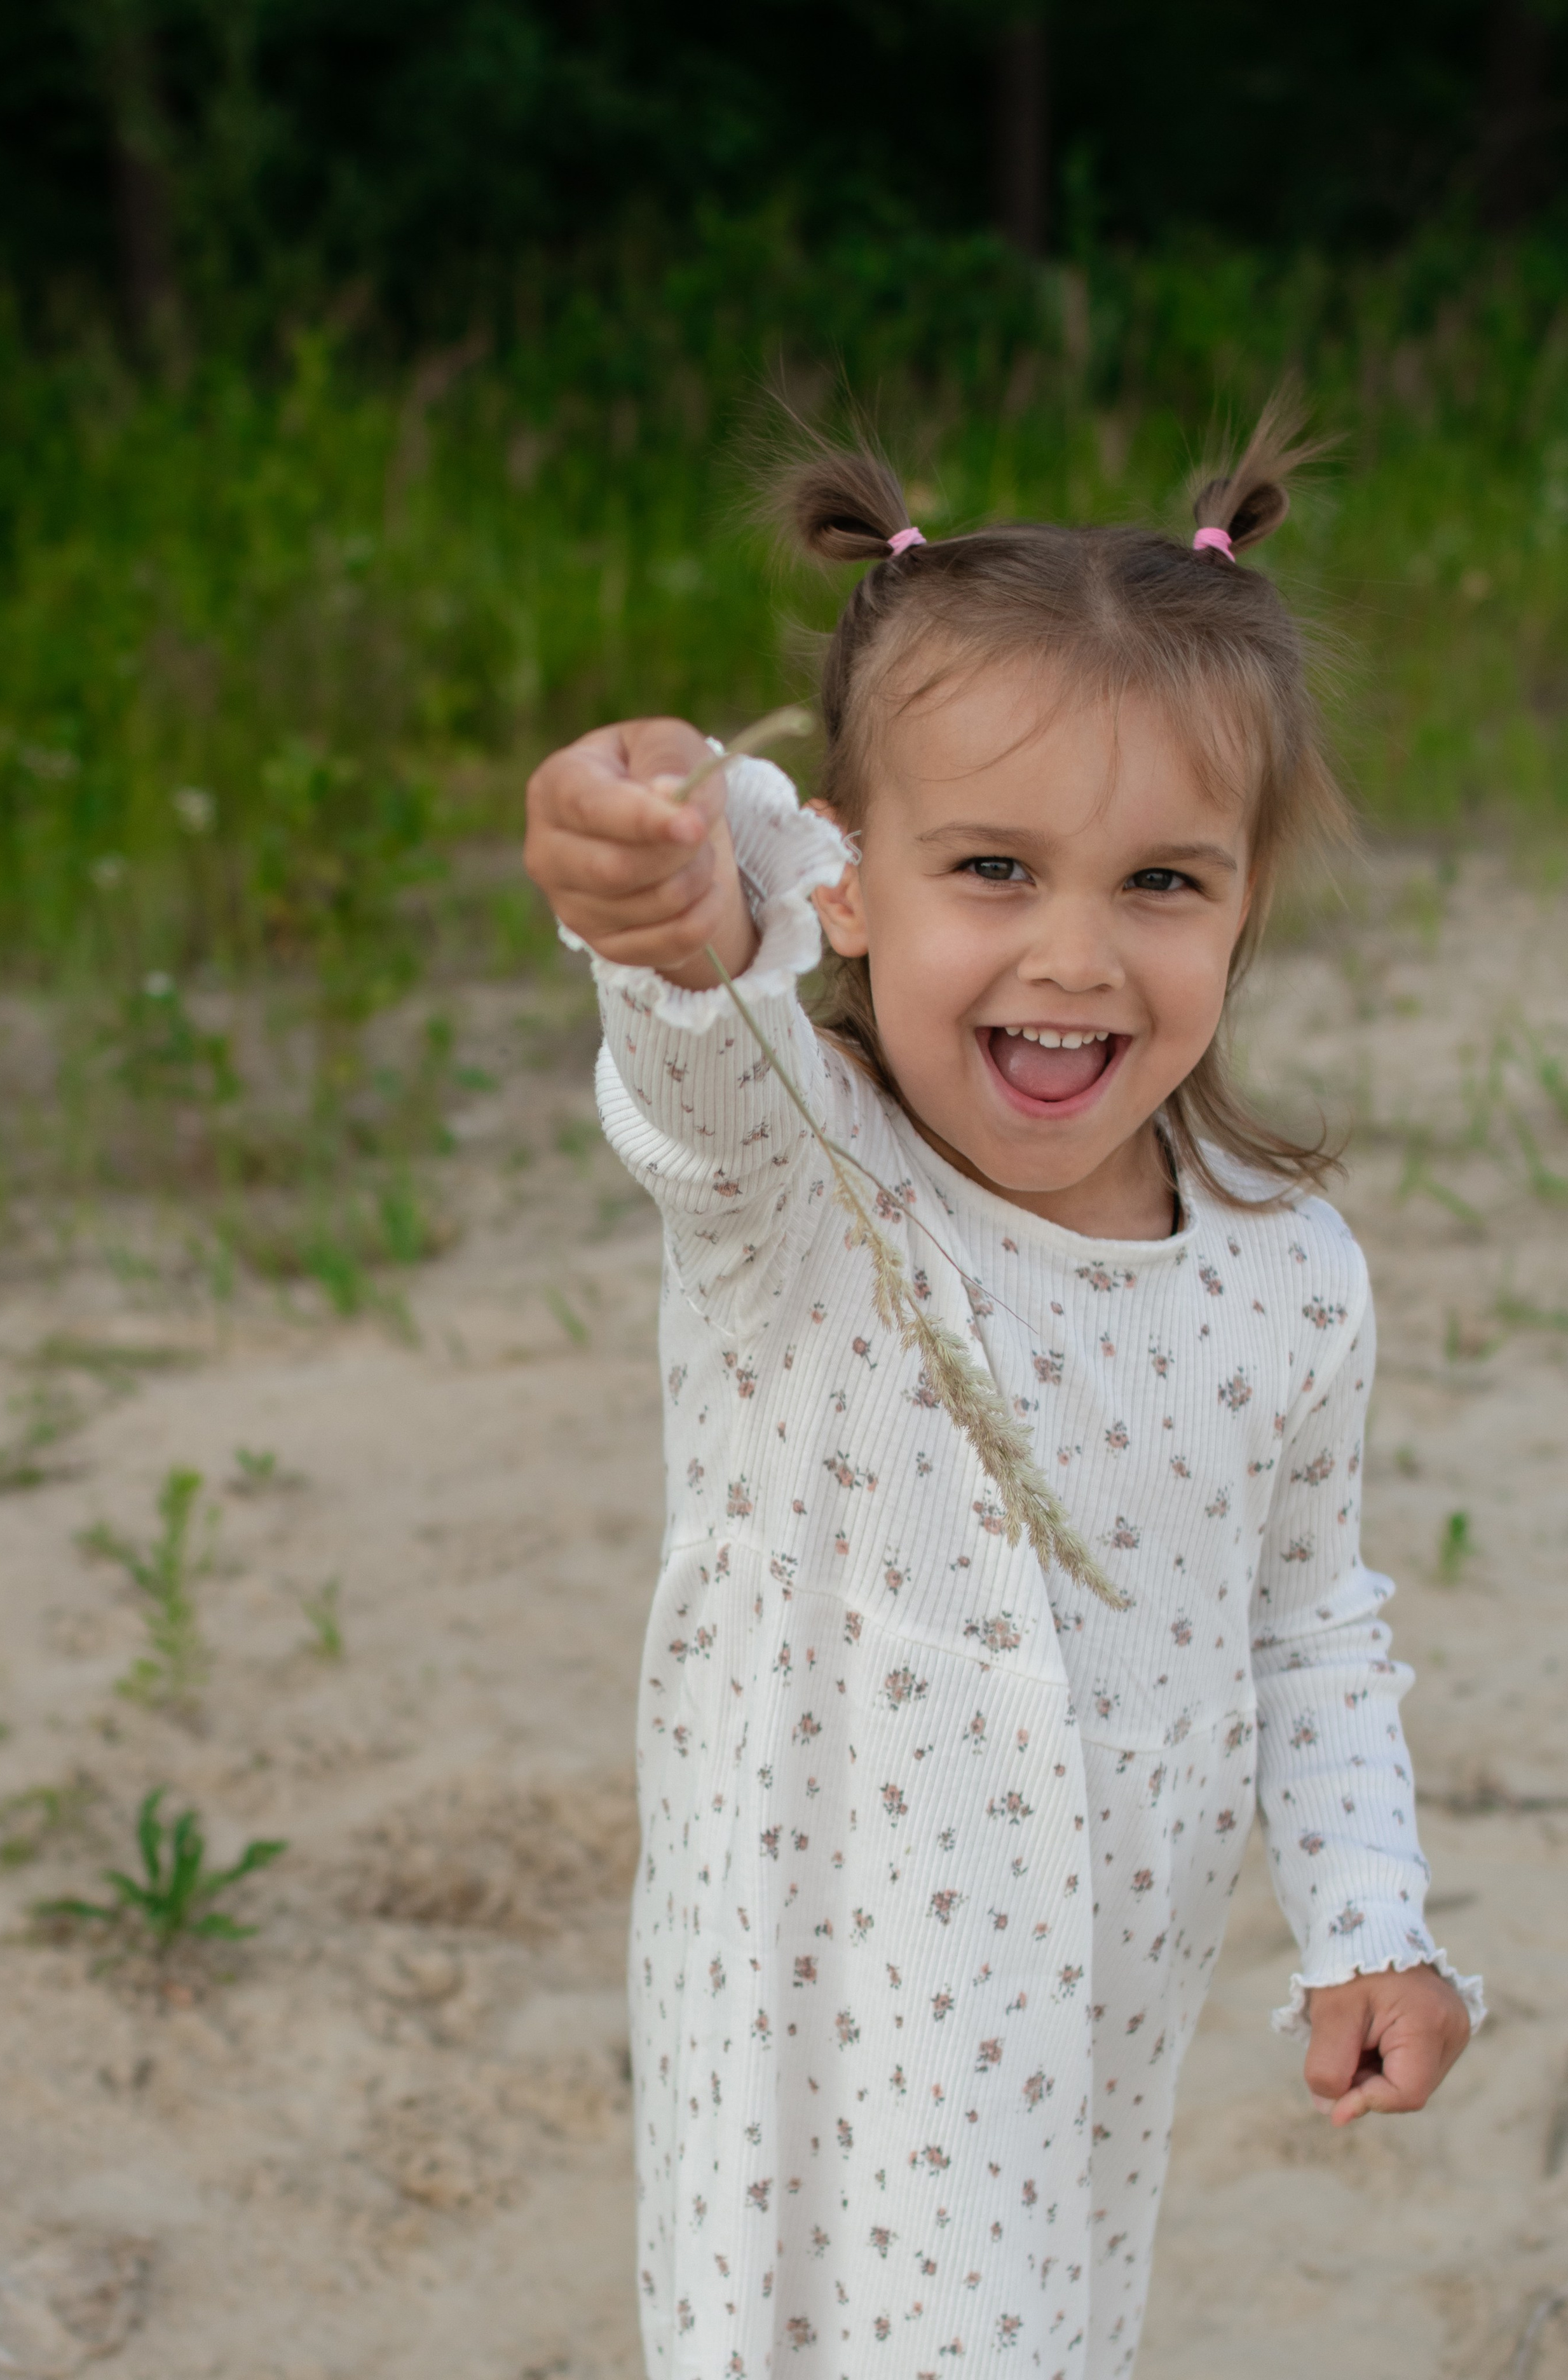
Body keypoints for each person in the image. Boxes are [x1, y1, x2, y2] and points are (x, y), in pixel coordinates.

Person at [522, 401, 1480, 2380]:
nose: (1077, 954)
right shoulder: (809, 1186)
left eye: (1162, 882)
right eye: (992, 866)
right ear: (843, 881)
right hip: (808, 2020)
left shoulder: (1286, 1276)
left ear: (1247, 900)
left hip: (1082, 2041)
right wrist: (669, 921)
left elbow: (1308, 1620)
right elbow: (695, 1075)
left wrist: (1370, 1918)